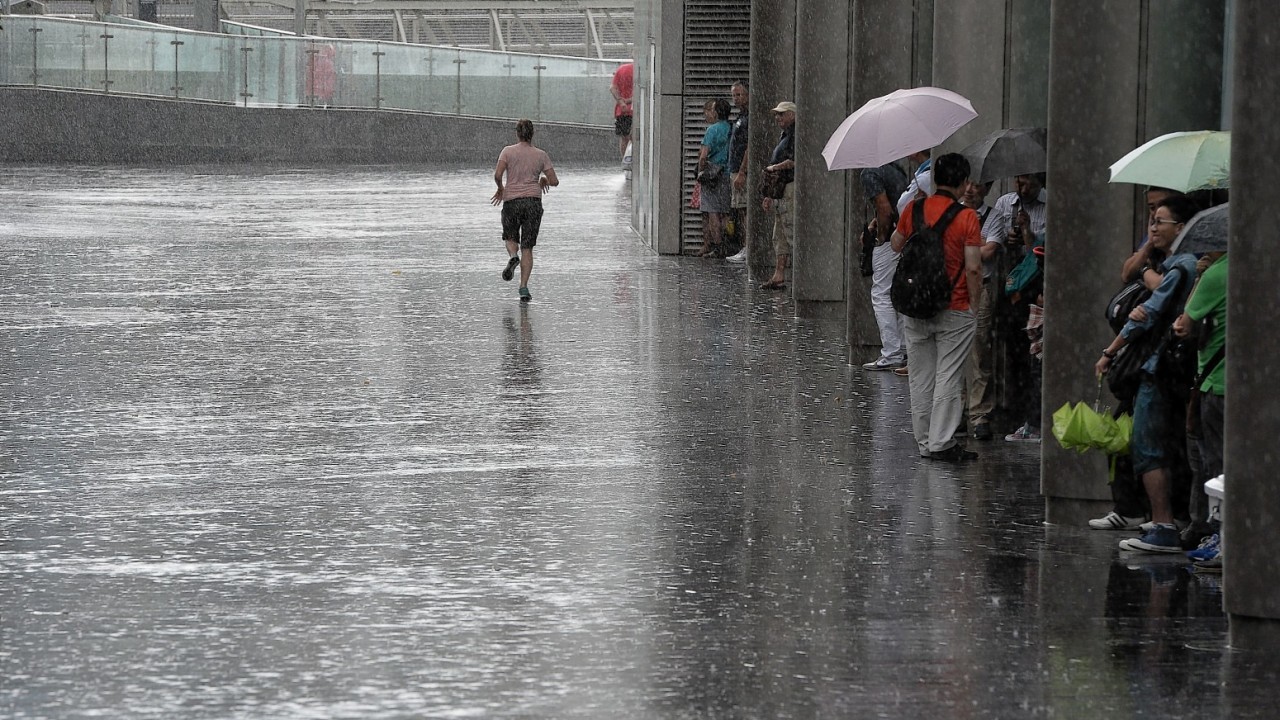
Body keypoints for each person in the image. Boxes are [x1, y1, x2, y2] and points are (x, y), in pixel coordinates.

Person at [1096, 195, 1200, 553]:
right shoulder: (1182, 264)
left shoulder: (1182, 266)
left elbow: (1150, 312)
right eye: (1152, 220)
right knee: (1165, 444)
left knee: (1148, 445)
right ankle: (1169, 520)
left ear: (1181, 228)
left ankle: (1163, 524)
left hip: (1159, 367)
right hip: (1173, 369)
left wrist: (1111, 350)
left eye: (1160, 221)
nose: (1153, 228)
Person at [890, 153, 984, 463]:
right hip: (954, 305)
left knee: (920, 375)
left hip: (916, 303)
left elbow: (895, 244)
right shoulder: (968, 217)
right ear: (962, 182)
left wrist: (914, 216)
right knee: (949, 373)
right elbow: (972, 267)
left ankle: (924, 441)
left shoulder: (915, 208)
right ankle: (942, 442)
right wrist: (975, 304)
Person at [1173, 250, 1228, 565]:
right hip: (1238, 382)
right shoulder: (1251, 268)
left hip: (1214, 384)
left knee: (1215, 468)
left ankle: (1220, 537)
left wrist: (1200, 278)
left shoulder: (1217, 274)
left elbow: (1184, 324)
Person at [984, 173, 1048, 442]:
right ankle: (1013, 404)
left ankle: (1031, 415)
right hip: (1010, 282)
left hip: (1035, 282)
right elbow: (994, 241)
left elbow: (1040, 248)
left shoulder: (1049, 205)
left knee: (1033, 349)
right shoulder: (1004, 204)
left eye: (1029, 183)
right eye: (1019, 182)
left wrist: (1025, 232)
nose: (1022, 188)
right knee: (1010, 345)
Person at [491, 119, 558, 303]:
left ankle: (513, 256)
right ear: (532, 134)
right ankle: (523, 287)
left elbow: (497, 174)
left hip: (512, 201)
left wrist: (500, 187)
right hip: (533, 203)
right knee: (528, 247)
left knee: (511, 238)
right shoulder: (541, 155)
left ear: (517, 133)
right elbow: (554, 180)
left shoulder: (507, 151)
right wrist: (543, 180)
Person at [859, 159, 910, 371]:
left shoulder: (870, 172)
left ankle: (891, 352)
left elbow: (885, 209)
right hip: (905, 234)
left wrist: (880, 239)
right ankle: (904, 348)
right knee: (897, 293)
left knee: (881, 294)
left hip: (891, 239)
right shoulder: (895, 168)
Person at [962, 179, 997, 439]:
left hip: (982, 287)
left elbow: (989, 251)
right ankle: (956, 412)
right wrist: (976, 244)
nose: (971, 189)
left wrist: (966, 245)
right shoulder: (955, 213)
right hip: (956, 288)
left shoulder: (992, 215)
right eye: (968, 183)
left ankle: (979, 413)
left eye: (978, 185)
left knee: (980, 347)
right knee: (955, 350)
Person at [760, 101, 796, 290]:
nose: (778, 118)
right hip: (779, 189)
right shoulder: (785, 135)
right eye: (776, 114)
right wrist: (769, 195)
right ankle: (779, 274)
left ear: (792, 114)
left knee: (790, 230)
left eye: (782, 114)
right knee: (779, 233)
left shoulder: (795, 135)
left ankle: (797, 275)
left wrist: (775, 167)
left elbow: (795, 161)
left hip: (789, 187)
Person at [695, 99, 733, 258]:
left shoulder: (712, 130)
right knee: (725, 212)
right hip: (727, 173)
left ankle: (718, 247)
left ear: (716, 112)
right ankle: (728, 244)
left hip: (712, 175)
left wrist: (700, 171)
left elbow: (703, 156)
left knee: (712, 212)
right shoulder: (731, 128)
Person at [725, 81, 751, 263]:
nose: (736, 98)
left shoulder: (749, 117)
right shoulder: (740, 116)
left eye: (739, 94)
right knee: (740, 210)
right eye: (734, 95)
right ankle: (745, 246)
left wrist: (742, 171)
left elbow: (750, 145)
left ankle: (748, 247)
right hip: (734, 168)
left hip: (741, 170)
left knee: (744, 210)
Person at [610, 61, 634, 161]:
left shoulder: (621, 69)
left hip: (622, 111)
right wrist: (629, 101)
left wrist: (621, 101)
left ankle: (625, 161)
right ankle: (636, 162)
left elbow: (612, 88)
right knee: (635, 138)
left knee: (624, 138)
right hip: (635, 111)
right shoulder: (641, 70)